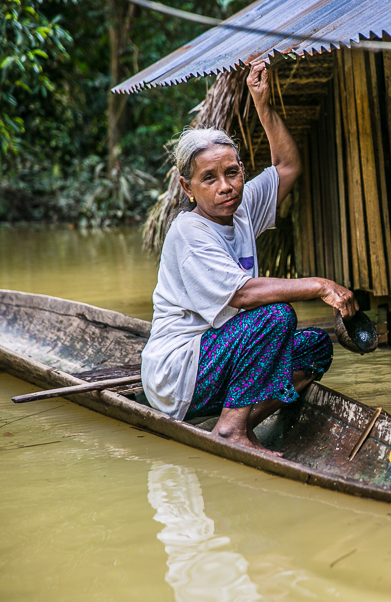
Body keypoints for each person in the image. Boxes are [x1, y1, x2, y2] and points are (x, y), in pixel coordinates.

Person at [140, 60, 358, 456]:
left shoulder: (240, 208)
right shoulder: (189, 232)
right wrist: (320, 286)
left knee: (313, 348)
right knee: (275, 317)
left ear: (241, 171)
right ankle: (231, 429)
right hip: (180, 377)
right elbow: (242, 295)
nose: (225, 187)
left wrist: (263, 104)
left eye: (232, 173)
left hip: (219, 365)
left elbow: (288, 166)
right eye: (209, 178)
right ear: (187, 187)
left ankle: (235, 422)